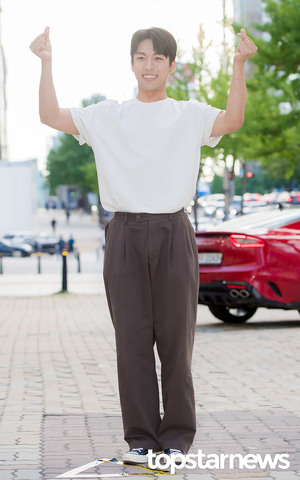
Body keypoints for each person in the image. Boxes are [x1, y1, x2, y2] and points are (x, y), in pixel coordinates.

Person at [30, 25, 257, 465]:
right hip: (124, 236)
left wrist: (237, 65)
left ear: (171, 66)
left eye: (158, 58)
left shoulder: (189, 114)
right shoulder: (106, 116)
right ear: (131, 64)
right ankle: (140, 441)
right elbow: (50, 115)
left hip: (174, 232)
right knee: (131, 343)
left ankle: (175, 440)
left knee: (176, 342)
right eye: (141, 57)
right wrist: (46, 63)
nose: (148, 65)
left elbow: (233, 119)